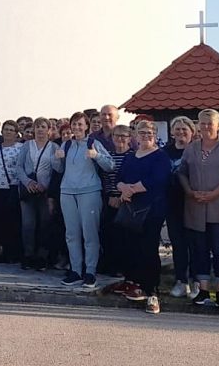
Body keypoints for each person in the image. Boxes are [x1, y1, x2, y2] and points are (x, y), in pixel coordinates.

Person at [177, 109, 219, 308]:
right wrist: (189, 191)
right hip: (195, 206)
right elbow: (182, 173)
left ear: (218, 125)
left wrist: (214, 194)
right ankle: (203, 289)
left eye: (209, 123)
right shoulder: (192, 147)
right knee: (199, 249)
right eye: (202, 123)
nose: (206, 127)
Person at [116, 121, 171, 314]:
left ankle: (151, 292)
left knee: (148, 249)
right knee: (130, 246)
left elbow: (158, 180)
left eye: (149, 132)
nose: (145, 135)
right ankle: (133, 283)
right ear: (135, 135)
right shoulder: (130, 157)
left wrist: (131, 189)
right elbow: (118, 178)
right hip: (130, 209)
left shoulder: (160, 157)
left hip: (152, 210)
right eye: (141, 132)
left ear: (155, 135)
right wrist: (123, 188)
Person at [55, 112, 114, 289]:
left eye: (80, 125)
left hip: (89, 191)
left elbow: (110, 165)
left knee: (90, 234)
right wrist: (56, 159)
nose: (77, 128)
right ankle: (75, 271)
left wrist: (96, 156)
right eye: (74, 124)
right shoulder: (66, 145)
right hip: (67, 192)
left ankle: (90, 272)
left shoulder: (93, 143)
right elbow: (58, 169)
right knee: (71, 234)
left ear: (86, 126)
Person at [16, 117, 61, 270]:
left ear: (49, 130)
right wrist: (28, 182)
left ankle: (42, 257)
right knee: (28, 224)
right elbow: (19, 167)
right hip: (28, 190)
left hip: (45, 192)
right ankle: (28, 255)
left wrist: (45, 186)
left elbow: (58, 170)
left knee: (45, 224)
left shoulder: (54, 147)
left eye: (43, 127)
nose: (40, 129)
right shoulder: (27, 145)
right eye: (37, 127)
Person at [164, 115, 198, 300]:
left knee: (195, 243)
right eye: (177, 129)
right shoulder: (165, 152)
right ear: (171, 132)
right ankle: (181, 281)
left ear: (192, 132)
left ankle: (196, 281)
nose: (180, 132)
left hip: (194, 202)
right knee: (178, 243)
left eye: (184, 129)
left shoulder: (197, 150)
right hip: (173, 203)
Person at [0, 119, 22, 263]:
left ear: (16, 133)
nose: (8, 132)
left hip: (13, 188)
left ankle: (12, 253)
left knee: (12, 222)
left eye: (11, 130)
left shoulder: (21, 148)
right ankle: (0, 251)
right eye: (6, 129)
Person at [100, 124, 132, 280]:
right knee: (109, 234)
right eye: (116, 136)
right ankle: (110, 266)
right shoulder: (108, 155)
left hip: (127, 201)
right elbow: (106, 178)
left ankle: (124, 267)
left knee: (124, 236)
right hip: (110, 200)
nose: (120, 139)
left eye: (123, 136)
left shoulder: (133, 155)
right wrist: (111, 195)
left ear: (129, 138)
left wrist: (120, 196)